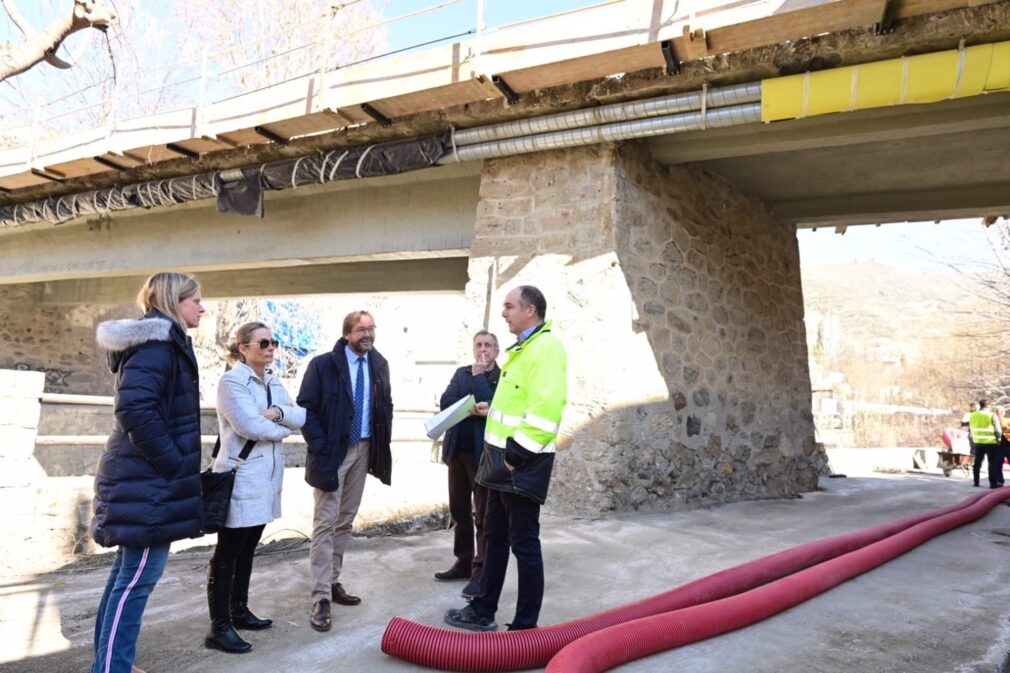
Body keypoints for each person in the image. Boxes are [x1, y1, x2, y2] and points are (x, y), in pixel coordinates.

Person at [91, 272, 206, 673]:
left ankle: (109, 662)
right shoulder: (158, 345)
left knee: (128, 576)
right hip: (149, 482)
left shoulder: (162, 343)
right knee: (136, 581)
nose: (203, 308)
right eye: (196, 301)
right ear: (176, 300)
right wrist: (175, 463)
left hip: (144, 480)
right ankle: (111, 668)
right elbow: (135, 410)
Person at [445, 285, 568, 632]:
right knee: (495, 534)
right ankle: (483, 609)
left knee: (524, 543)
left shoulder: (546, 349)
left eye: (510, 306)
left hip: (520, 462)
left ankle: (525, 626)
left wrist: (515, 456)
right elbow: (514, 403)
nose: (504, 313)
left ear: (530, 310)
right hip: (499, 461)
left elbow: (546, 410)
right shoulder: (524, 349)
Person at [205, 322, 306, 653]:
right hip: (241, 476)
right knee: (228, 552)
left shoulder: (273, 382)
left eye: (273, 341)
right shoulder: (232, 382)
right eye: (263, 342)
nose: (270, 347)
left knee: (248, 548)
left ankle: (239, 610)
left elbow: (301, 415)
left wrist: (275, 413)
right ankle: (220, 626)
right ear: (244, 347)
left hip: (266, 478)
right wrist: (283, 427)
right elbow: (248, 425)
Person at [298, 310, 393, 632]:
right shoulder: (323, 365)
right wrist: (322, 446)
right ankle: (320, 596)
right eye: (360, 329)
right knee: (325, 522)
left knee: (345, 520)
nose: (367, 334)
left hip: (364, 449)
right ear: (347, 334)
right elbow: (306, 408)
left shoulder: (379, 365)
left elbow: (385, 407)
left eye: (371, 328)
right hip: (333, 452)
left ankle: (333, 581)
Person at [434, 330, 501, 600]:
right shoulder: (461, 373)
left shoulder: (499, 377)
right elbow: (447, 402)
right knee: (459, 512)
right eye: (478, 345)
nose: (482, 350)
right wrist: (472, 406)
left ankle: (480, 572)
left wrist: (477, 378)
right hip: (457, 453)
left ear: (496, 351)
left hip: (481, 455)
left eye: (488, 346)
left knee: (482, 516)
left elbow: (494, 404)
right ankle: (462, 562)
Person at [969, 400, 1002, 489]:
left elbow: (971, 427)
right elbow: (998, 430)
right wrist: (999, 440)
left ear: (980, 405)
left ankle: (976, 481)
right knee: (992, 464)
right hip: (991, 443)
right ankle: (993, 484)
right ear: (989, 406)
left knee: (977, 462)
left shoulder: (973, 415)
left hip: (978, 442)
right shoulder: (992, 415)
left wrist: (974, 439)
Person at [962, 402, 979, 484]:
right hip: (972, 434)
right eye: (975, 407)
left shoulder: (979, 414)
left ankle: (973, 463)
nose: (976, 408)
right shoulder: (968, 414)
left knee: (976, 450)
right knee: (973, 450)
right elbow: (963, 423)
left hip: (980, 435)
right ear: (971, 407)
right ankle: (971, 464)